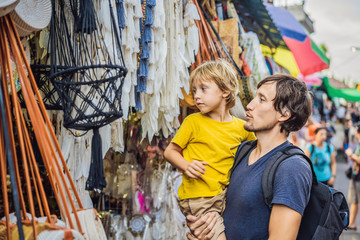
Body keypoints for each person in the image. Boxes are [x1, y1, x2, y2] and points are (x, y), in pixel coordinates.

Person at [186, 74, 313, 240]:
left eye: (261, 99)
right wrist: (205, 227)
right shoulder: (243, 150)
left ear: (284, 114)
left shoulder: (292, 168)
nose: (250, 105)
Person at [164, 59, 256, 240]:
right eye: (194, 90)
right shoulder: (193, 121)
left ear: (225, 90)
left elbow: (257, 153)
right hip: (200, 198)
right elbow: (170, 151)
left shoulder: (241, 128)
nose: (196, 96)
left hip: (224, 196)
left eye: (203, 89)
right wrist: (186, 165)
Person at [345, 125, 360, 231]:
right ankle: (352, 224)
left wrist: (351, 155)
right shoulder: (358, 143)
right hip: (356, 175)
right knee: (354, 200)